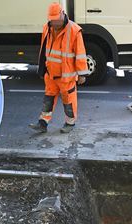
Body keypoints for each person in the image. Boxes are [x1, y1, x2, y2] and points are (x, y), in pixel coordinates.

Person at [29, 2, 89, 134]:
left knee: (69, 102)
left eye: (56, 20)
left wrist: (82, 74)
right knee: (48, 100)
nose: (54, 23)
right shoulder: (47, 28)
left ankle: (70, 123)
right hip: (50, 74)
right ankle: (43, 123)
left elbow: (80, 53)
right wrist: (42, 68)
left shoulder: (74, 30)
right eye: (52, 20)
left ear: (62, 14)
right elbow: (44, 49)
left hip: (66, 76)